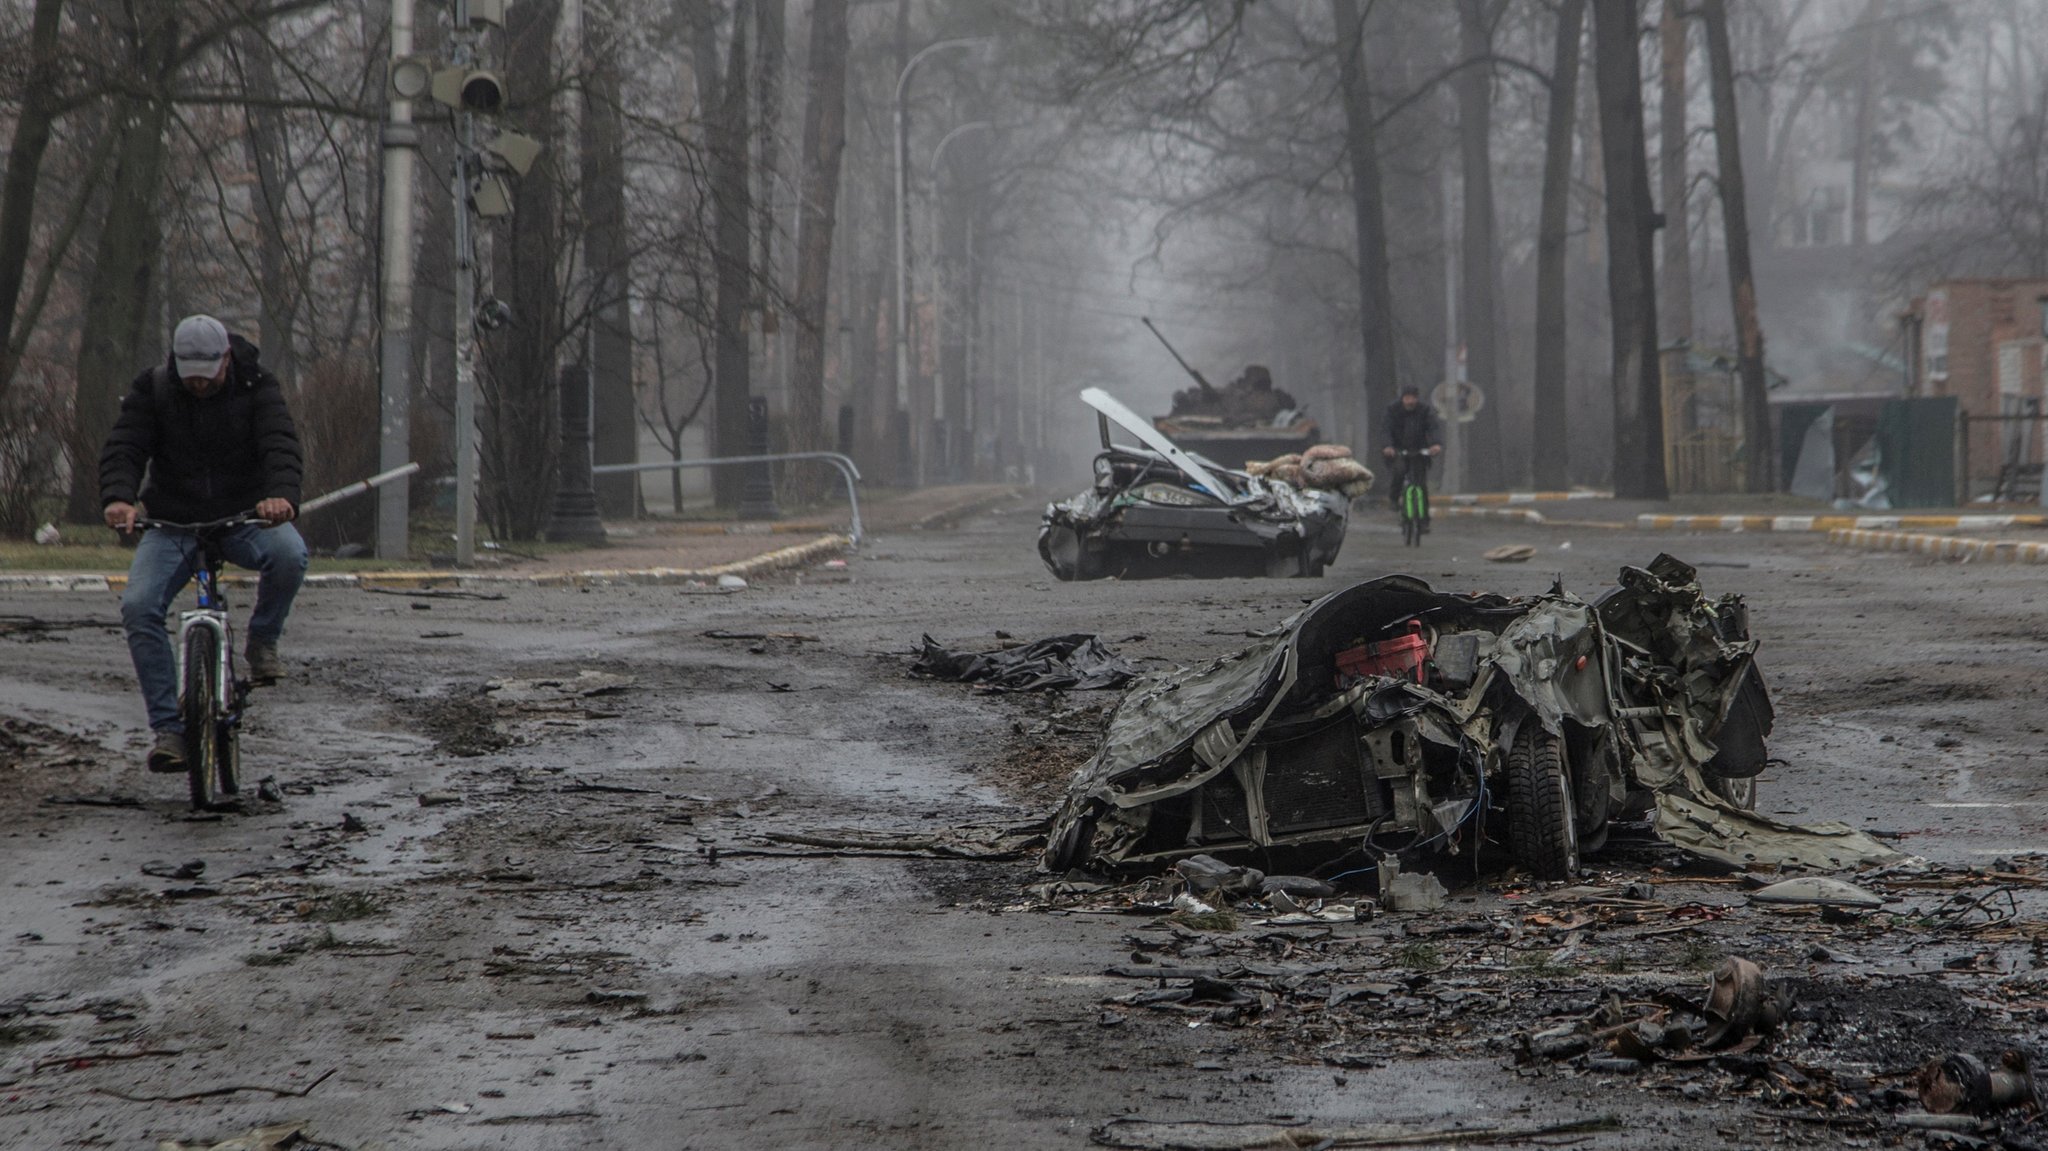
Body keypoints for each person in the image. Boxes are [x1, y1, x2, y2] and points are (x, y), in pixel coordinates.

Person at [100, 314, 307, 773]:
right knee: (138, 606)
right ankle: (169, 729)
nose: (197, 385)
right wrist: (118, 498)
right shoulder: (153, 389)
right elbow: (126, 447)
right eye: (189, 376)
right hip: (172, 521)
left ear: (226, 360)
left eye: (207, 376)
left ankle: (262, 642)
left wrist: (281, 498)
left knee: (290, 555)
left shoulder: (257, 386)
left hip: (244, 516)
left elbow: (280, 445)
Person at [1381, 384, 1444, 516]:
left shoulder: (1424, 410)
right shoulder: (1393, 410)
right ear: (1402, 398)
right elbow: (1386, 429)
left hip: (1419, 450)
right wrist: (1388, 446)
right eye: (1407, 398)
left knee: (1421, 484)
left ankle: (1424, 519)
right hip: (1398, 450)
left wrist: (1436, 444)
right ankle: (1394, 498)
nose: (1410, 401)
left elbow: (1433, 427)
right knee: (1399, 471)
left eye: (1413, 398)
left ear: (1417, 398)